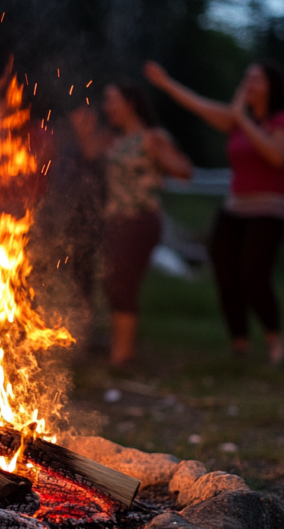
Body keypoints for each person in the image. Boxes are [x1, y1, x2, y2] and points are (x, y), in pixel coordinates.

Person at [145, 60, 284, 366]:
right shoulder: (237, 119)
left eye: (256, 79)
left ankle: (274, 337)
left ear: (272, 87)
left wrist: (243, 119)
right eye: (246, 77)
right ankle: (240, 343)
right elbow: (199, 105)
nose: (248, 82)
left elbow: (276, 155)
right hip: (236, 207)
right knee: (225, 271)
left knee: (253, 274)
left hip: (270, 208)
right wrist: (165, 83)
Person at [73, 82, 192, 367]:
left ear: (131, 103)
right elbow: (91, 156)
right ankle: (120, 350)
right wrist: (84, 132)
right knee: (113, 284)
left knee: (122, 284)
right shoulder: (113, 140)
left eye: (112, 100)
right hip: (115, 221)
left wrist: (160, 156)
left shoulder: (151, 137)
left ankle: (123, 355)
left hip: (141, 219)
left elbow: (184, 171)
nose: (106, 107)